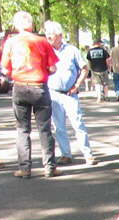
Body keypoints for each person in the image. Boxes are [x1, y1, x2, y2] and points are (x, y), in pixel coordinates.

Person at [0, 10, 59, 178]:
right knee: (45, 128)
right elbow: (53, 68)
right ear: (31, 25)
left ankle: (25, 169)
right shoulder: (42, 42)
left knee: (22, 129)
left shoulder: (11, 42)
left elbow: (5, 69)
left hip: (19, 88)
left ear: (17, 25)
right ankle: (49, 167)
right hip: (39, 87)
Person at [44, 21, 97, 166]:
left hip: (70, 93)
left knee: (78, 124)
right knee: (58, 126)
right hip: (53, 93)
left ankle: (88, 154)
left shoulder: (72, 50)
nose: (48, 36)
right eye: (47, 33)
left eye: (51, 34)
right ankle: (65, 154)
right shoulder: (46, 50)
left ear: (60, 35)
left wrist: (77, 85)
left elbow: (85, 68)